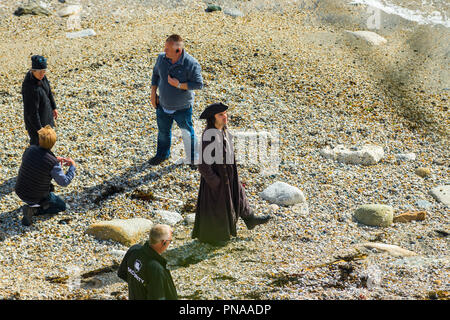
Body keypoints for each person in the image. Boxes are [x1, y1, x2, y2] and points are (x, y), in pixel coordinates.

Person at [192, 103, 272, 245]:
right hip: (216, 181)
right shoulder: (208, 136)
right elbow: (203, 166)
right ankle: (215, 237)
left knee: (239, 195)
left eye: (225, 113)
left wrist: (233, 177)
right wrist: (216, 182)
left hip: (229, 176)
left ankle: (250, 218)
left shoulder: (224, 131)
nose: (225, 117)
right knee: (218, 208)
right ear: (212, 118)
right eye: (220, 115)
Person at [149, 34, 203, 166]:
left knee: (187, 133)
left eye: (167, 48)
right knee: (163, 132)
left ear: (178, 51)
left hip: (182, 108)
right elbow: (155, 74)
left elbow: (198, 84)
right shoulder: (162, 58)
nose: (164, 51)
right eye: (165, 47)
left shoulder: (191, 63)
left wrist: (178, 85)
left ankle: (193, 158)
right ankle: (162, 155)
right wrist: (152, 93)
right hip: (162, 105)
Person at [15, 125, 76, 226]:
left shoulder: (30, 150)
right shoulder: (52, 163)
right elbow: (64, 182)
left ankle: (32, 206)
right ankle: (34, 210)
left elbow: (37, 161)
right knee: (62, 206)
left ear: (39, 140)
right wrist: (72, 166)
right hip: (36, 196)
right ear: (53, 144)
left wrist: (54, 159)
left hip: (20, 190)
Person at [118, 224, 178, 300]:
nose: (170, 243)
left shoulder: (134, 250)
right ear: (164, 242)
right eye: (170, 241)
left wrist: (138, 283)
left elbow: (122, 273)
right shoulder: (156, 268)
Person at [22, 55, 59, 146]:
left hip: (46, 115)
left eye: (44, 71)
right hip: (36, 124)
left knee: (48, 145)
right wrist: (40, 130)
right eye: (40, 72)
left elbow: (49, 91)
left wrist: (54, 107)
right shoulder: (29, 87)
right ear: (33, 71)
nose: (42, 74)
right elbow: (31, 113)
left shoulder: (42, 77)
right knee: (37, 146)